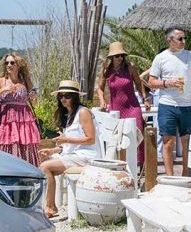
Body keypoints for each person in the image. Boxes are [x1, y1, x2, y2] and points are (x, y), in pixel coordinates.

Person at [38, 80, 101, 218]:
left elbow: (91, 139)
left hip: (87, 156)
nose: (63, 99)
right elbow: (71, 144)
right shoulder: (69, 114)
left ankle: (50, 207)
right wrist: (53, 150)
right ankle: (48, 205)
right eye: (60, 96)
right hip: (75, 154)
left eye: (67, 96)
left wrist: (66, 139)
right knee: (42, 165)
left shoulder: (83, 112)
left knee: (45, 167)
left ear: (75, 97)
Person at [148, 28, 191, 176]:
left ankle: (186, 174)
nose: (184, 41)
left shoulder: (190, 56)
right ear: (169, 40)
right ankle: (170, 177)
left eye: (184, 38)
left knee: (187, 143)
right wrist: (167, 83)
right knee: (168, 142)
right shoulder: (160, 58)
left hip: (187, 106)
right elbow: (151, 82)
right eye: (180, 39)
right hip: (167, 104)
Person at [95, 41, 148, 164]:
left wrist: (145, 99)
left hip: (132, 107)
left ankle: (138, 164)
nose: (120, 58)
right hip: (116, 108)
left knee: (136, 133)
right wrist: (102, 100)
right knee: (118, 138)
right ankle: (121, 163)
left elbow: (139, 84)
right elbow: (100, 88)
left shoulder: (130, 68)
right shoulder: (106, 72)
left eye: (122, 55)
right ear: (111, 58)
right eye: (117, 56)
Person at [0, 53, 40, 166]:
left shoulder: (25, 81)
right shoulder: (1, 81)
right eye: (6, 62)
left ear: (18, 65)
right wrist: (3, 90)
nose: (9, 65)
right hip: (6, 119)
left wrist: (34, 96)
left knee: (25, 144)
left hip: (24, 119)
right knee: (7, 143)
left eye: (12, 62)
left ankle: (26, 175)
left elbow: (34, 101)